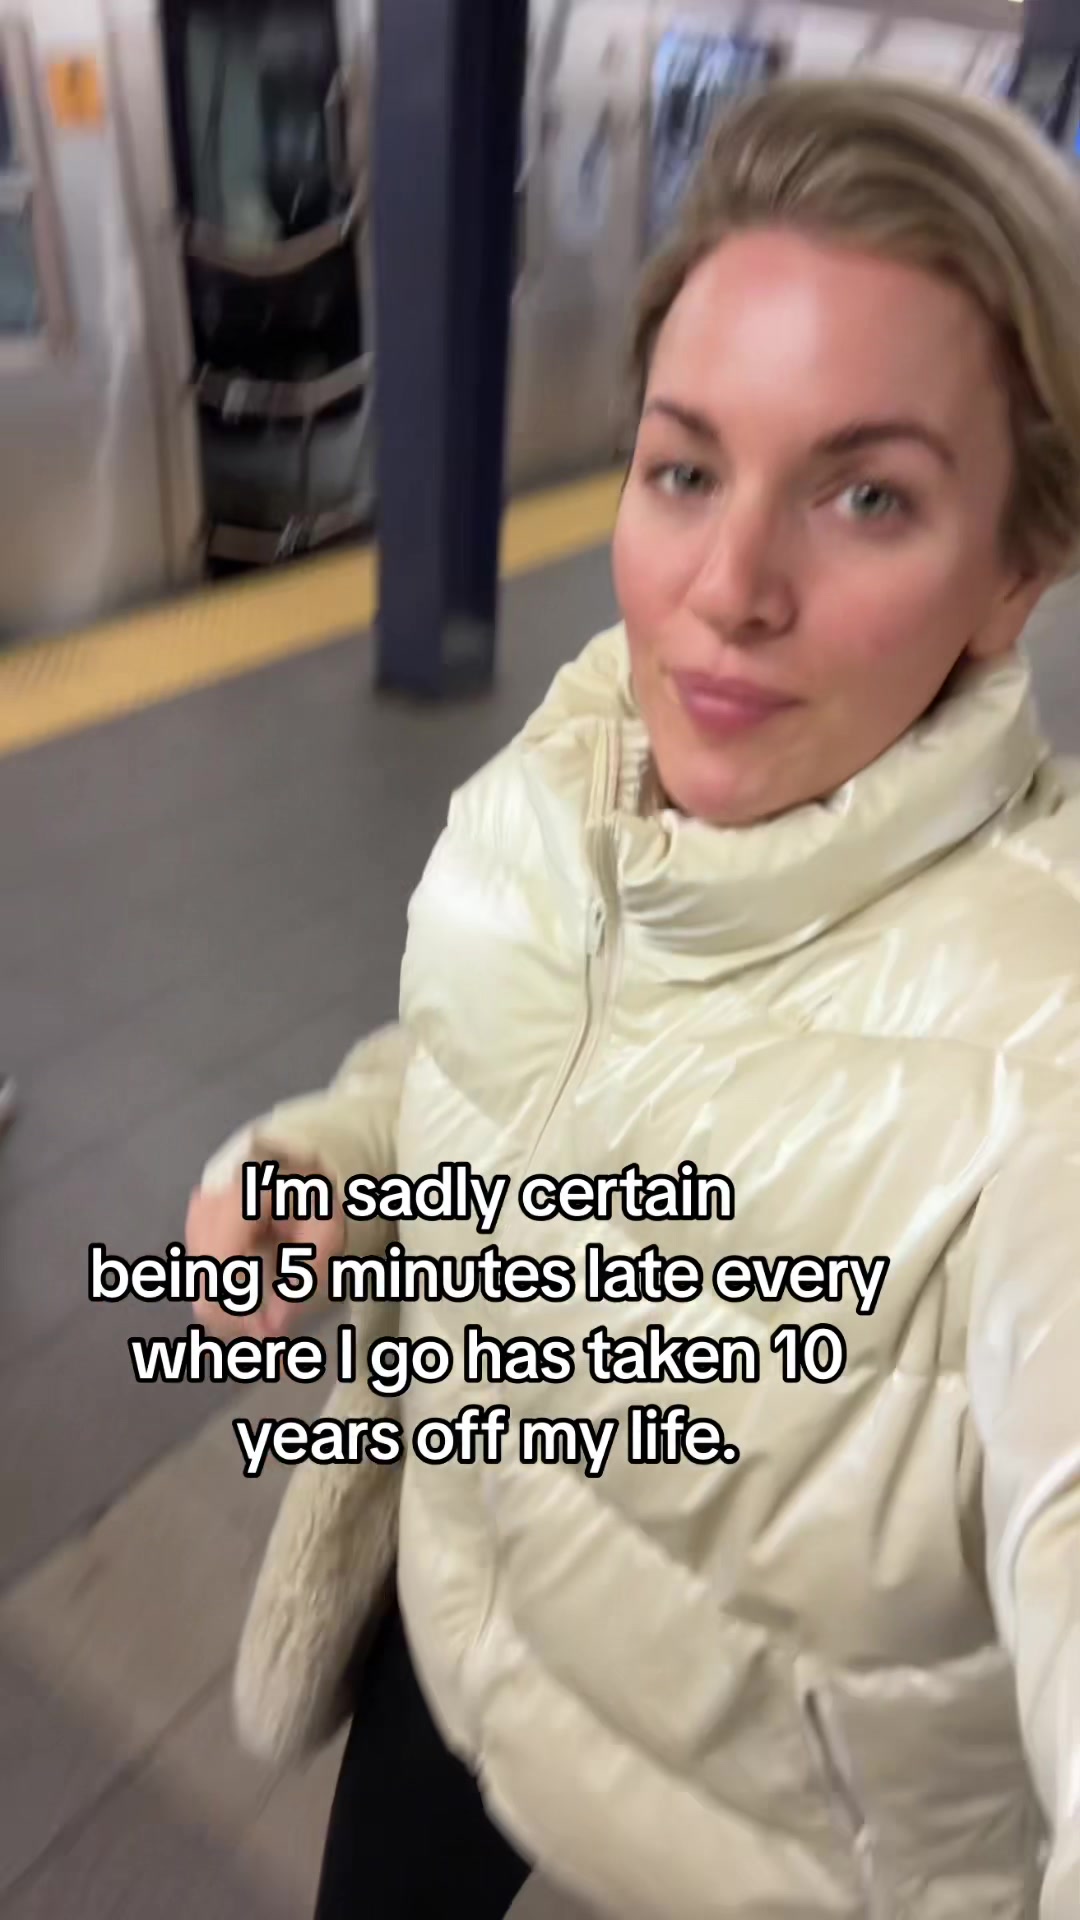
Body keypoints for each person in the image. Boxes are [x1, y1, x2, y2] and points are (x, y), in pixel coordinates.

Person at [187, 75, 1080, 1920]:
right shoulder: (580, 764)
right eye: (684, 469)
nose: (725, 591)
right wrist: (331, 1156)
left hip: (766, 1834)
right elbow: (501, 1055)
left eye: (868, 494)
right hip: (456, 1617)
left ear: (1017, 574)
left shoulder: (1045, 1056)